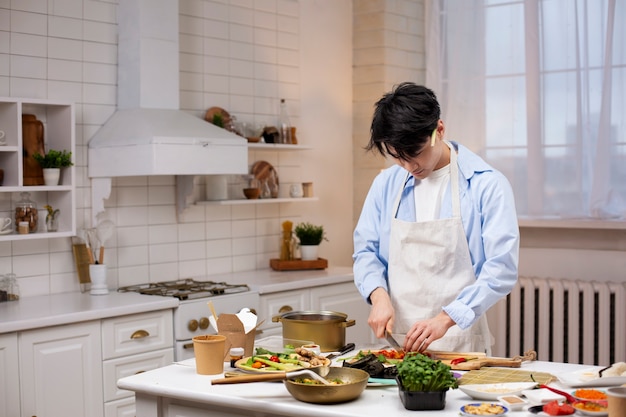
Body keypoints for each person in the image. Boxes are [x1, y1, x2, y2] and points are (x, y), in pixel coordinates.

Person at [353, 83, 519, 353]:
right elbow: (366, 251)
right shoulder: (386, 185)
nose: (409, 167)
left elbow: (501, 269)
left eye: (415, 154)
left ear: (438, 130)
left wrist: (446, 319)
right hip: (397, 344)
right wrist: (378, 295)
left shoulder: (487, 185)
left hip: (460, 343)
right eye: (398, 158)